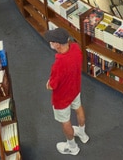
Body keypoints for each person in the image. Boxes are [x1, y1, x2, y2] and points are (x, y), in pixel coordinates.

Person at [45, 27, 88, 156]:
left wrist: (47, 84)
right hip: (75, 89)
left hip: (62, 98)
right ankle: (82, 133)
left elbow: (51, 86)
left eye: (51, 41)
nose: (50, 43)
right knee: (78, 107)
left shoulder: (58, 65)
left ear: (57, 44)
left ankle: (72, 146)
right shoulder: (75, 48)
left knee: (65, 121)